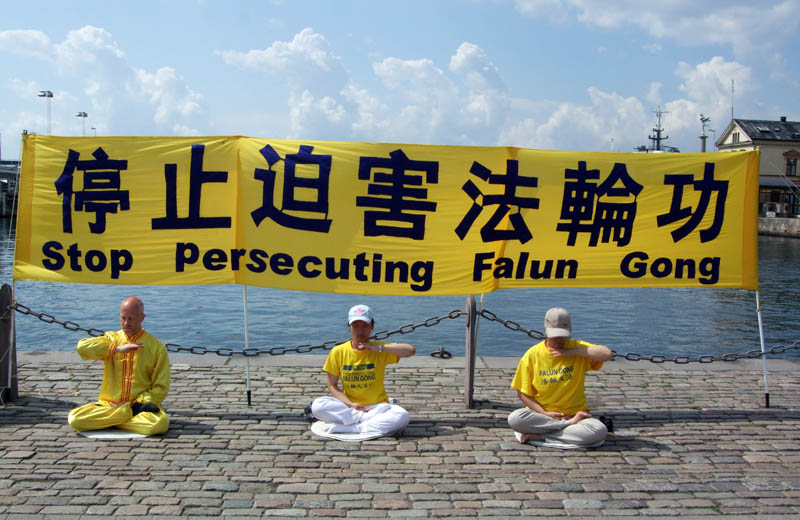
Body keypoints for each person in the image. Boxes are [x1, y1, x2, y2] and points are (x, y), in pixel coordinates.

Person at [508, 307, 612, 448]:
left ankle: (542, 436)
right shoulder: (532, 354)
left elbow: (607, 354)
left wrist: (571, 352)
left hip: (576, 414)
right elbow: (521, 393)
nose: (558, 340)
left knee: (599, 431)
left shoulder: (577, 348)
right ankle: (567, 426)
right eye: (554, 335)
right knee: (515, 419)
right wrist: (545, 413)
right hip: (543, 416)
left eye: (562, 336)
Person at [67, 296, 170, 435]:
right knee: (75, 419)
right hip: (109, 406)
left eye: (131, 319)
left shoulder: (156, 347)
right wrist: (116, 349)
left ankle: (113, 419)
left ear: (142, 318)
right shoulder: (112, 338)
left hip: (139, 409)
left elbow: (161, 387)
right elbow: (82, 347)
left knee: (159, 424)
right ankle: (123, 420)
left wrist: (134, 405)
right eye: (123, 318)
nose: (126, 323)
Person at [310, 304, 416, 435]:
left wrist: (379, 348)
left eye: (365, 326)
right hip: (350, 407)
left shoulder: (379, 348)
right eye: (355, 326)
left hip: (377, 407)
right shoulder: (338, 351)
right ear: (349, 327)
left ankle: (353, 428)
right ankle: (365, 421)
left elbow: (410, 351)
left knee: (402, 416)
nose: (360, 331)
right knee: (318, 405)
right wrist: (350, 404)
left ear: (372, 326)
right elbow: (332, 385)